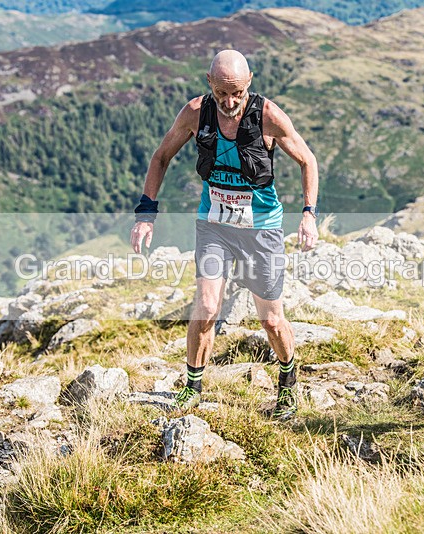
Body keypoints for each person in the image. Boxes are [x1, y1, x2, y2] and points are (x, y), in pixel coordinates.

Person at [130, 49, 320, 419]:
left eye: (236, 92)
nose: (229, 102)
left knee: (270, 319)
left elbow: (307, 160)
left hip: (261, 229)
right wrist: (146, 213)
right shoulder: (195, 113)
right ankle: (192, 387)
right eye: (221, 93)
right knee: (206, 308)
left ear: (248, 83)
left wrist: (309, 215)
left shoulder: (268, 116)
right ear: (209, 83)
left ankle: (287, 381)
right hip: (214, 225)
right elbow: (160, 156)